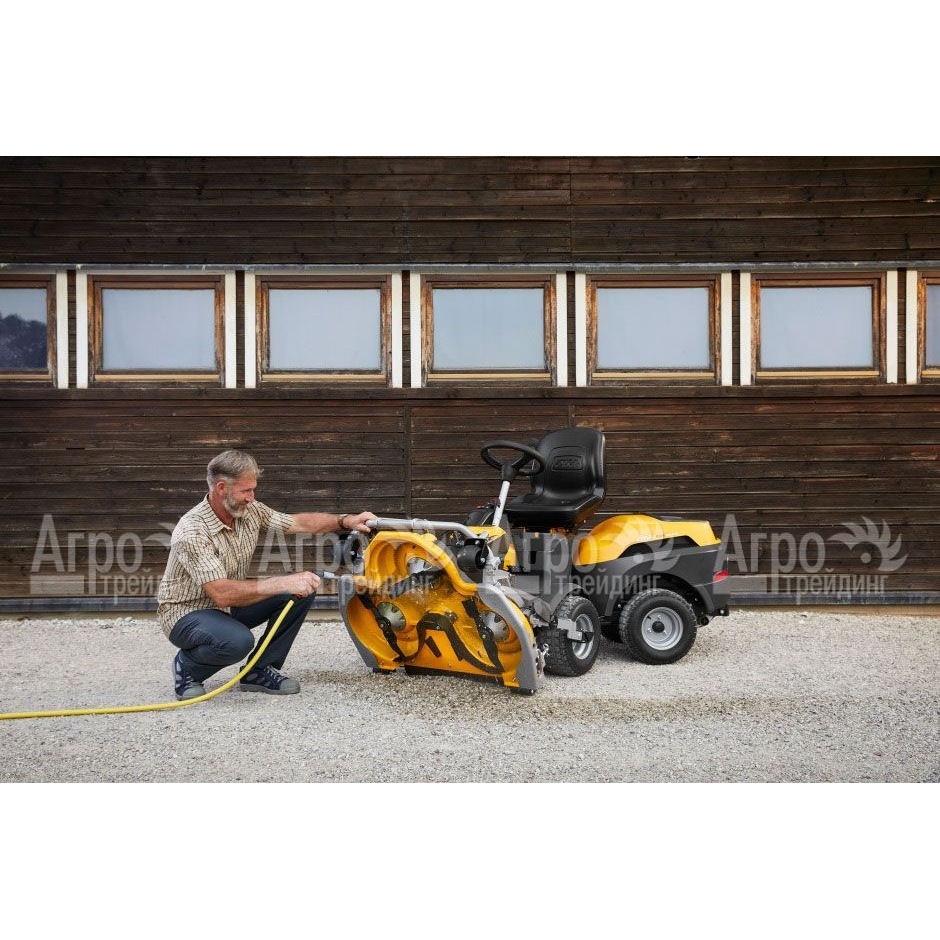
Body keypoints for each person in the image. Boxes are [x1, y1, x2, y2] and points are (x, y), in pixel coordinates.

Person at [158, 450, 375, 700]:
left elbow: (298, 523)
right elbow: (221, 593)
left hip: (227, 607)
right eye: (246, 491)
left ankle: (259, 670)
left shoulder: (250, 511)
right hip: (186, 613)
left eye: (253, 490)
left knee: (299, 591)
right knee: (238, 641)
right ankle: (187, 668)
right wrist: (281, 582)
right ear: (221, 488)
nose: (251, 498)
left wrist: (346, 521)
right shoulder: (192, 531)